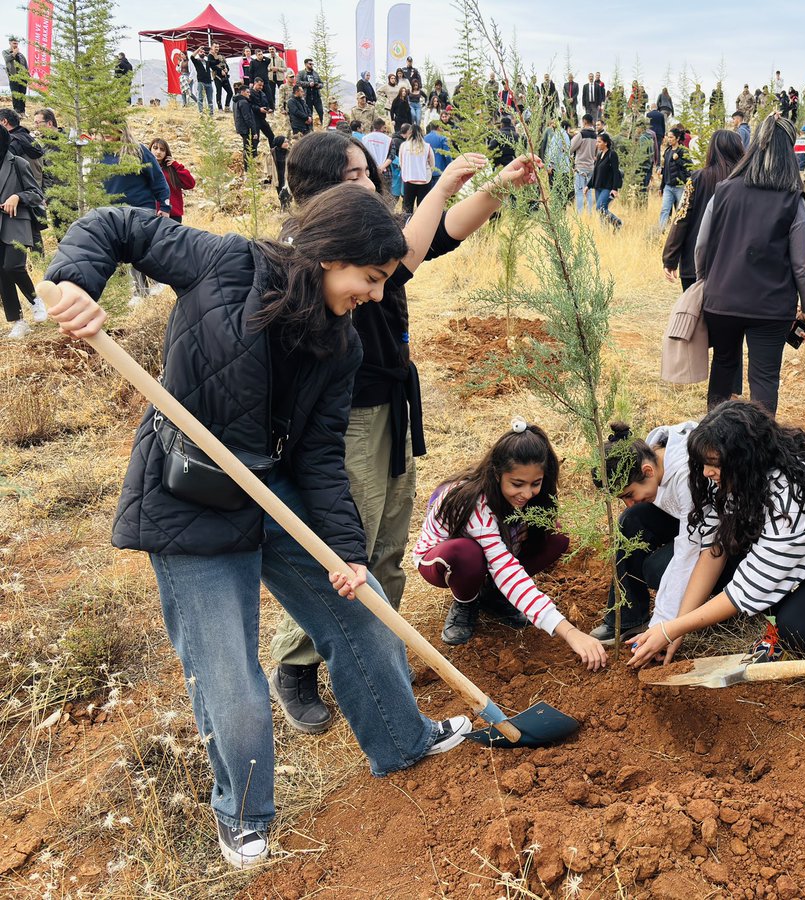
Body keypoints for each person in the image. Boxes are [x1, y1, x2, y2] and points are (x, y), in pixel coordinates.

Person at [44, 184, 477, 869]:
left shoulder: (342, 348)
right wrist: (71, 282)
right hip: (187, 496)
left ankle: (403, 741)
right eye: (370, 278)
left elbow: (321, 457)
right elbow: (116, 224)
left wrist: (344, 553)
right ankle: (243, 817)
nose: (372, 294)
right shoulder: (223, 263)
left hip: (271, 489)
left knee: (359, 611)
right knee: (231, 677)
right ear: (333, 255)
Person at [268, 130, 540, 731]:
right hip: (346, 418)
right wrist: (443, 185)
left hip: (391, 404)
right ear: (317, 187)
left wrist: (493, 188)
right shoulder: (309, 249)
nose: (370, 181)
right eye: (355, 174)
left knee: (389, 537)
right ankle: (295, 662)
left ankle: (376, 649)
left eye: (368, 171)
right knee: (347, 544)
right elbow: (415, 247)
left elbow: (435, 236)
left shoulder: (366, 236)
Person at [627, 400, 805, 668]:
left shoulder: (793, 499)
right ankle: (785, 605)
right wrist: (676, 628)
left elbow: (747, 586)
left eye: (714, 464)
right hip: (797, 549)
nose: (707, 472)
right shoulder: (743, 476)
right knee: (669, 568)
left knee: (802, 632)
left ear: (743, 457)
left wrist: (669, 630)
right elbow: (715, 548)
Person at [413, 419, 608, 671]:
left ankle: (492, 595)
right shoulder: (475, 504)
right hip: (441, 559)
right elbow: (507, 570)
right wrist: (570, 632)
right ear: (497, 473)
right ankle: (466, 602)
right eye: (517, 484)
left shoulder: (529, 496)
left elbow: (508, 561)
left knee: (555, 536)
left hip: (494, 553)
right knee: (466, 554)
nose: (526, 494)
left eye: (535, 483)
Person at [695, 115, 805, 415]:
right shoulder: (791, 197)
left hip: (721, 299)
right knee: (764, 379)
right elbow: (801, 263)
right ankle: (759, 450)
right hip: (771, 308)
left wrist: (705, 282)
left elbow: (702, 246)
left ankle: (714, 441)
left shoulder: (724, 190)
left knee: (723, 364)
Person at [589, 421, 699, 643]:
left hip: (722, 539)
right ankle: (629, 620)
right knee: (632, 519)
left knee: (655, 569)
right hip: (687, 520)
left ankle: (705, 602)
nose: (629, 502)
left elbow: (690, 550)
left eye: (630, 494)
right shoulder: (653, 453)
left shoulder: (686, 476)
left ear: (647, 471)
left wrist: (664, 624)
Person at [663, 129, 743, 294]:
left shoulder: (698, 178)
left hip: (695, 264)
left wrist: (670, 258)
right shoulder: (747, 182)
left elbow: (681, 218)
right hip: (735, 266)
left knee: (694, 316)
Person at [102, 126, 170, 302]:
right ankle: (141, 290)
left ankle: (156, 283)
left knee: (141, 249)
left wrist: (165, 205)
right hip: (114, 213)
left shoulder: (138, 151)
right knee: (128, 253)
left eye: (109, 126)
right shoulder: (99, 154)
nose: (106, 131)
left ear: (120, 128)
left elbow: (158, 178)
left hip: (141, 208)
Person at [0, 125, 45, 339]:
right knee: (1, 273)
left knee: (13, 266)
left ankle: (36, 300)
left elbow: (36, 194)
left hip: (16, 222)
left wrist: (17, 197)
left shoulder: (18, 163)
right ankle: (18, 322)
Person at [149, 138, 195, 223]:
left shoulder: (172, 169)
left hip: (173, 215)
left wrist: (177, 166)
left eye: (162, 149)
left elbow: (190, 184)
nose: (158, 152)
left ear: (166, 152)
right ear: (150, 149)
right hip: (150, 213)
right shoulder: (145, 168)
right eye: (155, 148)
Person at [587, 132, 623, 229]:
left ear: (605, 143)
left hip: (608, 187)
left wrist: (614, 189)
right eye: (597, 142)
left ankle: (617, 222)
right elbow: (595, 172)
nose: (597, 144)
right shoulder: (599, 155)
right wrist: (588, 185)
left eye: (599, 142)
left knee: (600, 208)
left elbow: (616, 172)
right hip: (598, 187)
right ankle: (604, 232)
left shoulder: (612, 154)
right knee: (602, 211)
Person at [0, 108, 45, 185]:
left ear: (4, 121)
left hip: (22, 191)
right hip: (36, 188)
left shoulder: (12, 143)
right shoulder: (27, 137)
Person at [398, 123, 435, 214]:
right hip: (424, 180)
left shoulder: (404, 146)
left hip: (409, 179)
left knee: (407, 206)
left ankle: (406, 224)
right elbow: (432, 164)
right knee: (423, 207)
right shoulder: (427, 146)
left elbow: (401, 162)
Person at [659, 127, 689, 230]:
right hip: (668, 186)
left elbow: (688, 168)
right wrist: (661, 187)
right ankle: (661, 232)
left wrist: (678, 160)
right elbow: (666, 170)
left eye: (671, 137)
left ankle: (679, 233)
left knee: (680, 211)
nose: (669, 139)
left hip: (679, 186)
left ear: (677, 138)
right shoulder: (667, 151)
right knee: (665, 210)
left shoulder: (683, 151)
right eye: (668, 137)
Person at [570, 114, 598, 213]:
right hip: (591, 166)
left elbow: (571, 147)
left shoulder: (581, 134)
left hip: (580, 167)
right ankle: (590, 214)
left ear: (584, 121)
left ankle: (580, 214)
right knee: (589, 192)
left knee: (579, 192)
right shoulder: (595, 135)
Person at [233, 83, 260, 173]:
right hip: (246, 129)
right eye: (248, 92)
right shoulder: (244, 102)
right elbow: (247, 118)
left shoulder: (237, 101)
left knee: (247, 147)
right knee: (248, 148)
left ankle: (248, 167)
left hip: (241, 128)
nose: (249, 94)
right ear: (243, 92)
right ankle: (247, 169)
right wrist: (254, 131)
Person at [3, 37, 29, 115]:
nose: (16, 45)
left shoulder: (21, 55)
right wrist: (14, 53)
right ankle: (16, 111)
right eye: (14, 43)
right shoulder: (5, 52)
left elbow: (25, 65)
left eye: (17, 43)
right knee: (15, 94)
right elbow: (7, 59)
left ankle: (22, 111)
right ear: (10, 43)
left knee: (22, 94)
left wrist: (28, 76)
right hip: (13, 77)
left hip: (23, 77)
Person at [250, 78, 276, 149]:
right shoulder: (250, 93)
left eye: (262, 86)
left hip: (262, 118)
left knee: (271, 136)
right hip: (254, 119)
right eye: (259, 85)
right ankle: (253, 156)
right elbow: (250, 106)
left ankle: (273, 153)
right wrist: (259, 109)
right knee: (255, 139)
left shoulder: (262, 93)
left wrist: (268, 109)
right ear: (255, 83)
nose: (261, 87)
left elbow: (265, 103)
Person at [425, 120, 452, 186]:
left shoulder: (424, 138)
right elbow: (447, 155)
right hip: (440, 169)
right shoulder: (442, 138)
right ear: (439, 127)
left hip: (427, 170)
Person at [298, 58, 324, 124]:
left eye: (312, 64)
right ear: (306, 64)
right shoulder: (301, 73)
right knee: (309, 113)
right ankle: (310, 129)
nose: (311, 65)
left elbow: (322, 83)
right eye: (310, 64)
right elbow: (298, 82)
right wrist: (308, 84)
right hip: (307, 96)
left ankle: (324, 126)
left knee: (321, 112)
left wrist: (318, 85)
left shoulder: (315, 73)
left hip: (316, 96)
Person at [190, 46, 215, 114]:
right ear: (198, 53)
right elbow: (192, 57)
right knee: (200, 98)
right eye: (201, 52)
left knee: (210, 99)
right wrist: (198, 49)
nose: (203, 53)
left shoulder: (207, 62)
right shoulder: (197, 61)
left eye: (204, 52)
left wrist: (213, 52)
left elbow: (215, 62)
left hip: (209, 82)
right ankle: (201, 112)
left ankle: (211, 113)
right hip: (201, 82)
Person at [210, 46, 234, 112]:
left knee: (230, 92)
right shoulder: (210, 56)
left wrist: (226, 70)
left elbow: (227, 66)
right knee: (219, 92)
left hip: (225, 77)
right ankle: (220, 108)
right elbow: (212, 66)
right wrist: (220, 70)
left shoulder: (222, 56)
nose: (217, 49)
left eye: (217, 47)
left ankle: (227, 106)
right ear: (212, 48)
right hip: (217, 77)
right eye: (215, 47)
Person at [270, 135, 290, 210]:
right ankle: (284, 208)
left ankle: (287, 208)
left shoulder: (289, 152)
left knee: (286, 193)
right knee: (280, 193)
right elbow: (268, 165)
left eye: (287, 141)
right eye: (285, 142)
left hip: (286, 176)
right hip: (277, 176)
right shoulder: (273, 153)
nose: (287, 143)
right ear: (280, 143)